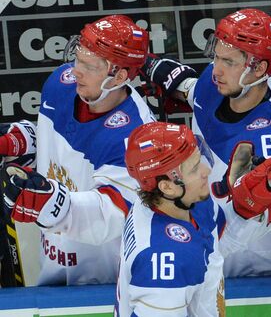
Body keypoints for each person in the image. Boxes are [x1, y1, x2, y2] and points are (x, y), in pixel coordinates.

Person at [142, 8, 271, 276]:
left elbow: (260, 216)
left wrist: (196, 250)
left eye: (229, 62)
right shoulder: (221, 82)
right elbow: (192, 88)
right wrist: (150, 66)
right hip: (225, 257)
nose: (216, 70)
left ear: (260, 68)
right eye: (217, 56)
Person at [0, 15, 155, 285]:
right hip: (53, 262)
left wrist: (54, 205)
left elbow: (114, 213)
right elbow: (59, 145)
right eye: (78, 58)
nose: (76, 71)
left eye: (89, 65)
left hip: (107, 284)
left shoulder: (137, 135)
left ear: (118, 76)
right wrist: (25, 141)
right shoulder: (60, 85)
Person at [117, 121, 271, 316]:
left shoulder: (180, 202)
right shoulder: (164, 261)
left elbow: (213, 242)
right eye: (195, 168)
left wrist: (246, 208)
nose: (207, 171)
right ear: (167, 187)